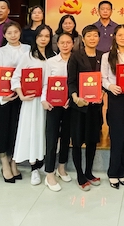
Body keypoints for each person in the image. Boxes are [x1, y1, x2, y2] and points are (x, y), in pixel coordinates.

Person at [11, 25, 56, 186]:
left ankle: (43, 162)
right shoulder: (27, 56)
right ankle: (33, 168)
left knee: (45, 133)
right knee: (32, 133)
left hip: (49, 102)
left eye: (47, 36)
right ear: (35, 38)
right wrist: (21, 94)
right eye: (40, 36)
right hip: (32, 102)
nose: (43, 39)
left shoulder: (53, 56)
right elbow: (15, 78)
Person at [101, 24, 124, 189]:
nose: (123, 38)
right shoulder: (107, 56)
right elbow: (103, 78)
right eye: (120, 35)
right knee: (117, 136)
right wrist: (110, 86)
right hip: (115, 98)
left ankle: (122, 171)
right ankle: (113, 173)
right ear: (114, 37)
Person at [67, 24, 104, 191]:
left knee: (91, 140)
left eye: (95, 35)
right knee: (77, 141)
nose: (92, 38)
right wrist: (75, 98)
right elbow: (71, 81)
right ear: (83, 38)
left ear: (99, 38)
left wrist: (102, 92)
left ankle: (89, 172)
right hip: (79, 107)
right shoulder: (75, 56)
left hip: (95, 107)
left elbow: (104, 79)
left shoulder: (102, 56)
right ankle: (80, 175)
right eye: (89, 35)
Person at [0, 22, 30, 183]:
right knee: (3, 130)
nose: (13, 35)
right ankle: (4, 164)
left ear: (20, 33)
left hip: (23, 96)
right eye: (9, 33)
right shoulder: (0, 51)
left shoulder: (28, 49)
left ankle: (14, 163)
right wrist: (2, 95)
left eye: (16, 32)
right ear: (4, 35)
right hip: (6, 96)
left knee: (17, 130)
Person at [43, 31, 75, 192]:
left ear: (73, 44)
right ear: (58, 44)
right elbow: (45, 83)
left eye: (68, 42)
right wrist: (44, 100)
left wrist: (72, 98)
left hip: (70, 104)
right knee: (52, 137)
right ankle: (49, 173)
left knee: (66, 137)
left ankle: (61, 168)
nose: (65, 45)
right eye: (62, 42)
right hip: (53, 104)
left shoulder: (76, 60)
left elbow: (77, 83)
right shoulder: (50, 62)